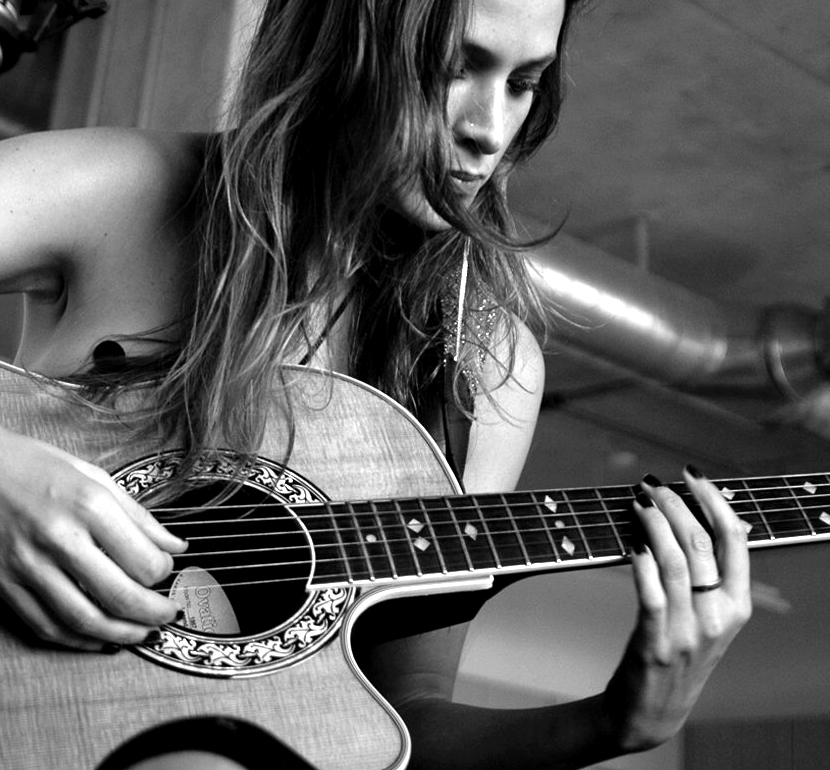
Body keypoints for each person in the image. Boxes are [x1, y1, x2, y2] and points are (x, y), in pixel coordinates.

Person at [0, 0, 751, 767]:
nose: (489, 129)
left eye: (524, 83)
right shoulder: (118, 191)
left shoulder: (486, 368)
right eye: (453, 67)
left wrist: (615, 724)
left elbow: (399, 721)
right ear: (338, 42)